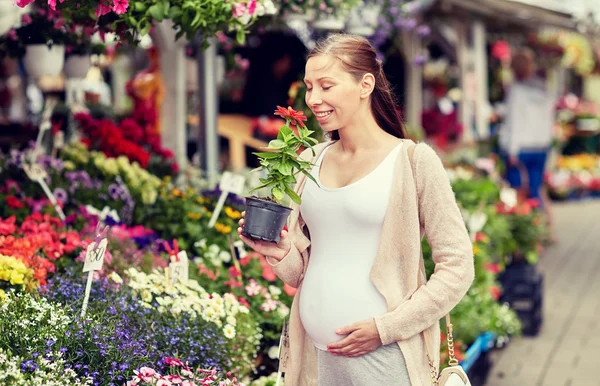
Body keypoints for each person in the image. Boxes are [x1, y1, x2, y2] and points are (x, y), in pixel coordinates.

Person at [237, 34, 474, 386]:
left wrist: (384, 329)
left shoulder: (412, 161)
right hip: (314, 356)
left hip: (384, 359)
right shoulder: (309, 160)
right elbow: (302, 271)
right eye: (309, 87)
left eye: (326, 86)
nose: (314, 99)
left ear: (366, 84)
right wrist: (279, 252)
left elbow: (458, 267)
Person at [499, 48, 555, 214]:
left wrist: (512, 150)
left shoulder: (516, 91)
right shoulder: (544, 89)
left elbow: (514, 122)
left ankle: (529, 231)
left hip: (521, 147)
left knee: (519, 191)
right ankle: (542, 230)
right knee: (536, 189)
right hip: (541, 146)